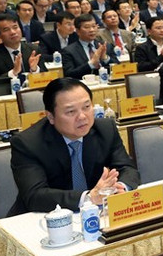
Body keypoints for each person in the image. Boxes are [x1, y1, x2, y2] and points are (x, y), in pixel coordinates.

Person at [9, 78, 140, 214]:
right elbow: (35, 196)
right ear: (51, 117)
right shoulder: (27, 143)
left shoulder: (105, 129)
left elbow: (127, 168)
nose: (82, 116)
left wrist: (120, 188)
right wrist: (88, 198)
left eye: (87, 107)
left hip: (96, 214)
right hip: (43, 218)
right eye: (71, 112)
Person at [0, 13, 47, 80]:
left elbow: (46, 76)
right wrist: (13, 72)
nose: (13, 32)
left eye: (15, 27)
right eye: (6, 29)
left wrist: (35, 70)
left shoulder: (33, 49)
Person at [62, 14, 118, 79]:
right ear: (77, 31)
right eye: (87, 27)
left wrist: (105, 58)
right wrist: (91, 63)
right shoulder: (69, 51)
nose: (92, 30)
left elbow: (119, 68)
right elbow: (69, 75)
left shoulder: (106, 46)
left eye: (94, 26)